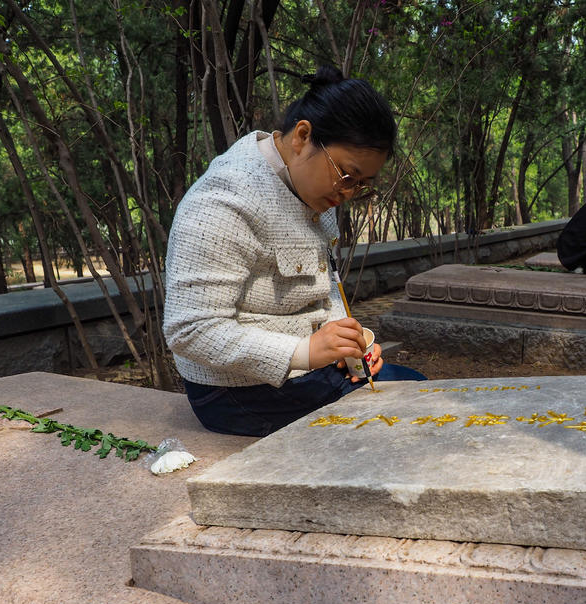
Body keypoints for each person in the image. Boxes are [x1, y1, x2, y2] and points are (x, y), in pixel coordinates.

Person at [164, 65, 425, 437]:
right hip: (233, 393)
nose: (348, 193)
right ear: (303, 135)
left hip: (311, 374)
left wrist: (348, 343)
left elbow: (324, 284)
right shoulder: (224, 202)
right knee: (402, 424)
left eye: (362, 185)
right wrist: (304, 352)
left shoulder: (314, 188)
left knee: (418, 389)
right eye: (347, 176)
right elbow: (190, 330)